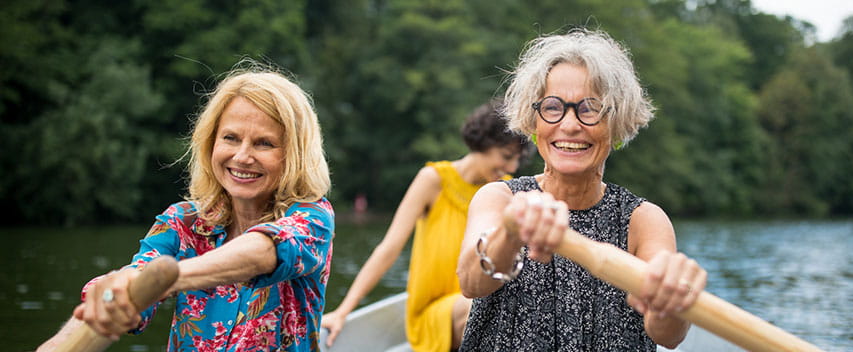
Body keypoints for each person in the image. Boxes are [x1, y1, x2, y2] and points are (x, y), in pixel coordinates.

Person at [38, 66, 335, 351]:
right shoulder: (183, 221)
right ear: (210, 143)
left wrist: (164, 279)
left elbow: (266, 250)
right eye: (230, 138)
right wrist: (107, 298)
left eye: (264, 144)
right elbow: (133, 278)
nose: (242, 156)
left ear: (293, 155)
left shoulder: (313, 218)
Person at [456, 28, 708, 351]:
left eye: (590, 108)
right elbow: (470, 281)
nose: (571, 124)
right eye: (552, 107)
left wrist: (668, 302)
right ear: (534, 122)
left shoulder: (644, 221)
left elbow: (670, 335)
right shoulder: (499, 198)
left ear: (617, 123)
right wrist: (511, 231)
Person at [320, 100, 529, 351]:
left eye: (517, 160)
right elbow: (389, 248)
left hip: (479, 300)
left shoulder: (504, 191)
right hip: (433, 314)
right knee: (479, 306)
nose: (512, 167)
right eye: (506, 157)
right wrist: (343, 311)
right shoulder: (433, 180)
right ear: (482, 142)